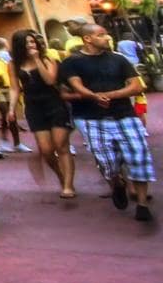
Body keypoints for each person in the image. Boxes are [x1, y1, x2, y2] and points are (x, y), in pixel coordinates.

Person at [58, 22, 155, 221]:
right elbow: (72, 87)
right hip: (91, 118)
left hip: (124, 115)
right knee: (107, 161)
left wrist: (109, 95)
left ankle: (143, 204)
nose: (107, 37)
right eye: (102, 34)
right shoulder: (72, 62)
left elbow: (136, 86)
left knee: (138, 155)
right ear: (88, 38)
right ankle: (117, 183)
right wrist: (93, 96)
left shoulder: (119, 60)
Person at [9, 27, 76, 199]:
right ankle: (60, 175)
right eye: (27, 43)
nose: (31, 45)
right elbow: (15, 88)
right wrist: (11, 110)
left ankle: (68, 185)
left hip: (54, 103)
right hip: (33, 106)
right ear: (19, 46)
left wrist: (37, 59)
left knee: (61, 145)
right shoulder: (13, 65)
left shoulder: (48, 59)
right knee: (46, 150)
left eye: (32, 41)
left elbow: (50, 80)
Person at [0, 39, 32, 152]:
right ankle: (3, 139)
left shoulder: (1, 61)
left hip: (7, 88)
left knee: (12, 115)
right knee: (6, 113)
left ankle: (17, 143)